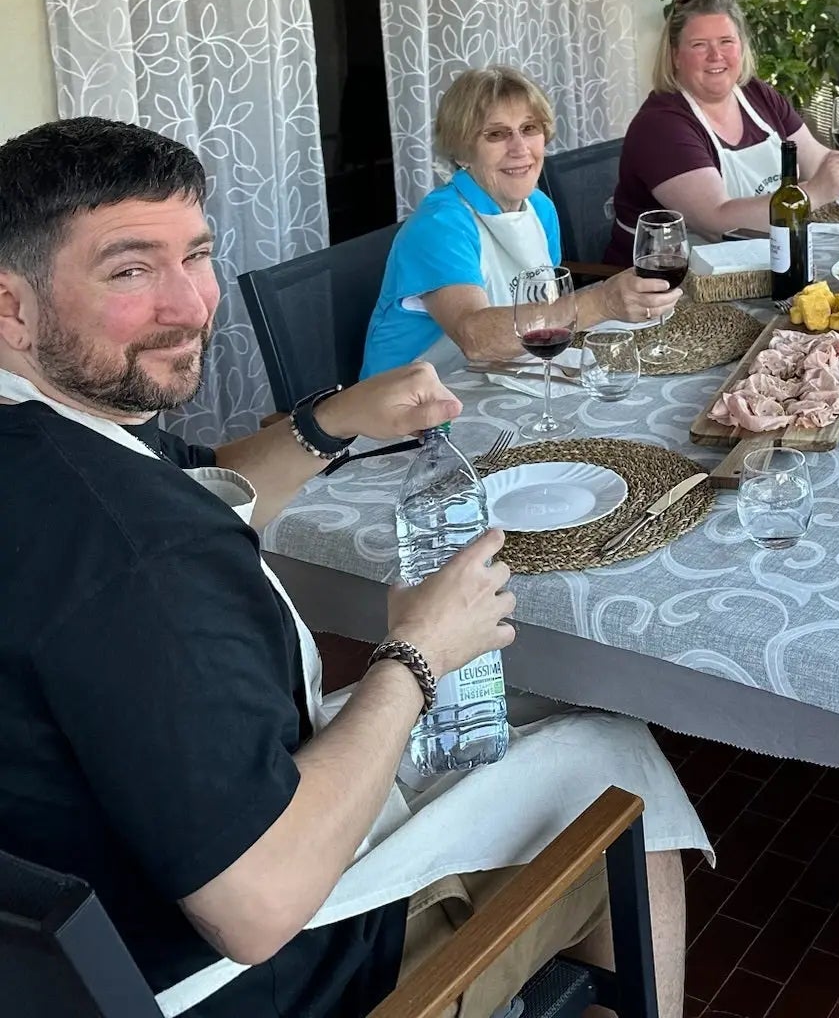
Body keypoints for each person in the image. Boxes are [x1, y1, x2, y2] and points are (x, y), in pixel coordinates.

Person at [0, 116, 705, 1018]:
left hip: (110, 877)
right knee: (618, 771)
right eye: (130, 270)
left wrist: (330, 423)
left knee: (545, 712)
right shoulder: (131, 553)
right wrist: (413, 654)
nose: (191, 305)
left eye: (198, 256)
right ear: (15, 303)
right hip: (257, 974)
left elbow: (204, 493)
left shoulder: (55, 439)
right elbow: (257, 909)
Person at [364, 66, 678, 378]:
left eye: (529, 128)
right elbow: (475, 338)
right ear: (462, 152)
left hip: (496, 377)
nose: (519, 148)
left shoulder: (539, 208)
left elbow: (547, 312)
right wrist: (602, 303)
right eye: (496, 134)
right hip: (408, 408)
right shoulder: (440, 224)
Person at [605, 0, 839, 259]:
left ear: (741, 47)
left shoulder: (756, 95)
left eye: (726, 41)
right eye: (699, 45)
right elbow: (716, 217)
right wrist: (810, 195)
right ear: (675, 56)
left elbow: (818, 162)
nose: (715, 56)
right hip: (665, 289)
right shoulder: (663, 125)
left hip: (760, 260)